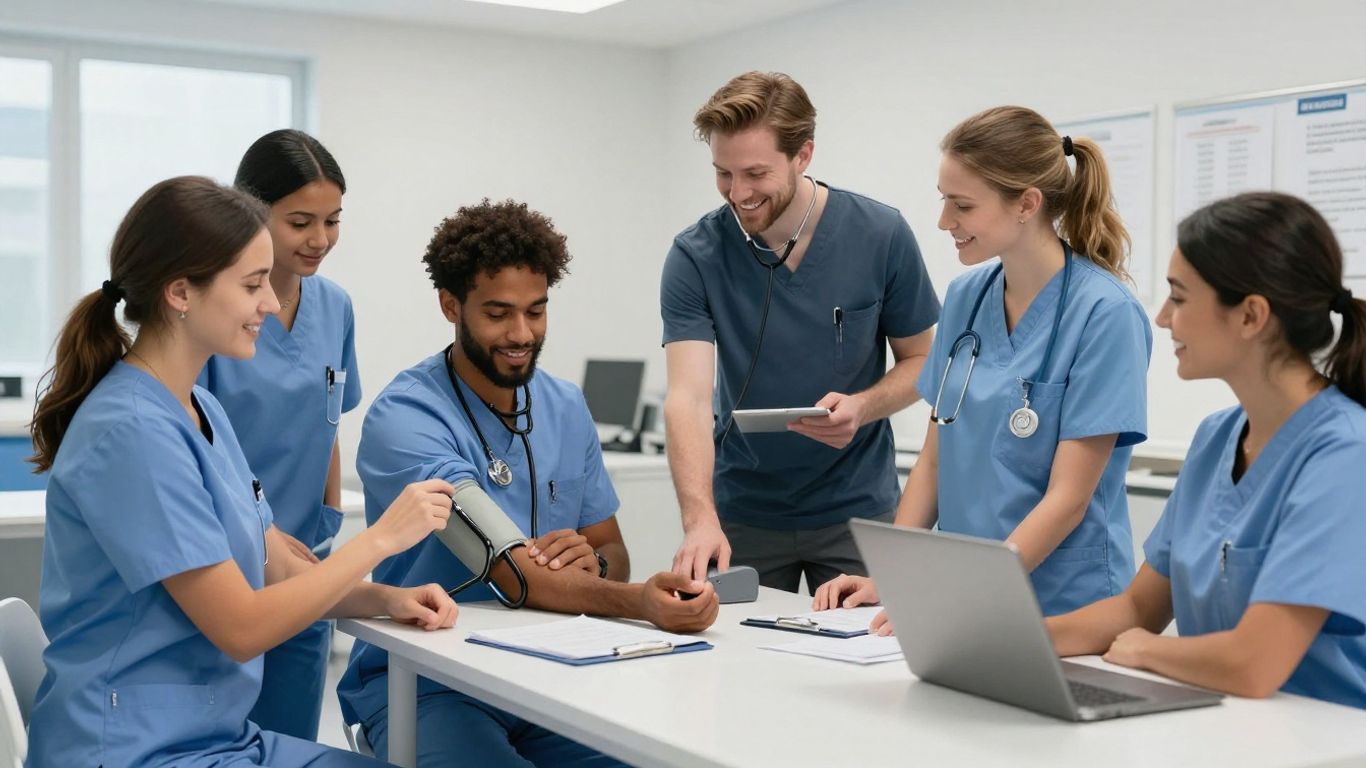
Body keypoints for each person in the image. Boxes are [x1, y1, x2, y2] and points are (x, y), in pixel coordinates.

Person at [24, 176, 457, 766]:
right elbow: (241, 627)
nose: (272, 303)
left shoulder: (203, 410)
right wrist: (382, 539)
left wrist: (384, 597)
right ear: (180, 292)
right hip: (133, 748)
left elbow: (275, 567)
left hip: (212, 736)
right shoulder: (131, 432)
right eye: (253, 284)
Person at [338, 199, 719, 767]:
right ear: (451, 306)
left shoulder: (564, 405)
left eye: (536, 311)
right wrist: (638, 602)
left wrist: (593, 567)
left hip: (550, 670)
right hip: (431, 680)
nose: (521, 333)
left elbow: (612, 550)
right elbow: (511, 570)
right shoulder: (407, 417)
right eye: (498, 314)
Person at [815, 106, 1151, 623]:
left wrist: (970, 594)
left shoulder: (1105, 314)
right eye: (944, 201)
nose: (944, 222)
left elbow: (1069, 498)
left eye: (962, 205)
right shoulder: (966, 298)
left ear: (1027, 204)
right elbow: (935, 457)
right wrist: (897, 575)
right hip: (965, 595)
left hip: (1064, 603)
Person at [1047, 192, 1366, 709]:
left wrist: (1149, 652)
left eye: (1178, 296)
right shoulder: (1216, 437)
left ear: (1250, 316)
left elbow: (1253, 663)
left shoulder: (1346, 454)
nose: (1162, 318)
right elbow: (1136, 608)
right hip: (1225, 732)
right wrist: (1008, 639)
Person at [662, 71, 940, 592]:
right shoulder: (695, 255)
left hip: (858, 510)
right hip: (743, 512)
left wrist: (864, 406)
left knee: (868, 665)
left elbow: (923, 361)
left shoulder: (881, 235)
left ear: (803, 155)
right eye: (723, 173)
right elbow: (689, 397)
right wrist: (699, 519)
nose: (738, 193)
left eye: (756, 173)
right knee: (733, 664)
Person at [197, 128, 360, 740]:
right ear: (251, 211)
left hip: (303, 559)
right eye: (300, 222)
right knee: (224, 740)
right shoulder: (215, 313)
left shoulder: (335, 307)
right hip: (223, 561)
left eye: (333, 220)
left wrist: (327, 519)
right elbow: (196, 442)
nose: (320, 240)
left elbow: (330, 419)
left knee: (291, 738)